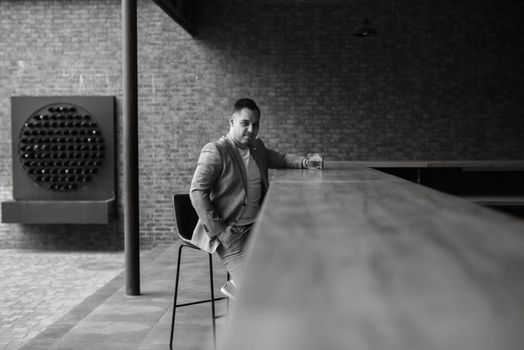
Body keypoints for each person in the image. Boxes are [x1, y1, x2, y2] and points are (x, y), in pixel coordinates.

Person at [189, 98, 312, 299]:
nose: (251, 130)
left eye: (255, 124)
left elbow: (281, 158)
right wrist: (220, 231)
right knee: (258, 293)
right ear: (231, 122)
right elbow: (196, 192)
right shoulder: (216, 150)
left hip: (259, 227)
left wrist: (309, 162)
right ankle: (240, 287)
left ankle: (240, 284)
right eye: (245, 123)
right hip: (232, 232)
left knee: (295, 265)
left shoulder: (257, 147)